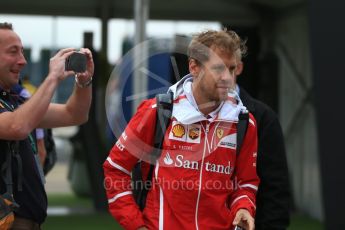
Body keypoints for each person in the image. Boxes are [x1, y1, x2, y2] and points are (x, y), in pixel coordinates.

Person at [103, 29, 259, 230]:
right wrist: (137, 225)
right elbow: (116, 169)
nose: (227, 78)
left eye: (231, 68)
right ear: (194, 67)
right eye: (218, 69)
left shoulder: (244, 122)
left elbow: (246, 183)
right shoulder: (158, 111)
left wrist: (243, 207)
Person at [0, 22, 94, 228]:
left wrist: (84, 82)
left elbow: (74, 114)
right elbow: (17, 127)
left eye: (23, 52)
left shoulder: (13, 101)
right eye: (13, 52)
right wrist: (53, 77)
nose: (23, 61)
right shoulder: (15, 109)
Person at [234, 50, 291, 229]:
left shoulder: (262, 117)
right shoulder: (181, 114)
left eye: (228, 67)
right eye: (214, 67)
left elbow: (275, 186)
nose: (221, 75)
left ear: (239, 68)